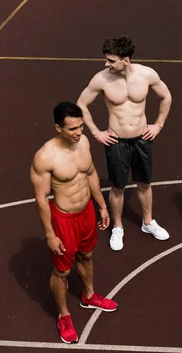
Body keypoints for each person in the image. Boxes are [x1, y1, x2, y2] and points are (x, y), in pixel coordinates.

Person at [30, 102, 118, 344]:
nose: (78, 132)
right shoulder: (45, 157)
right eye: (72, 129)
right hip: (64, 219)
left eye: (81, 127)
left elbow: (89, 173)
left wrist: (101, 205)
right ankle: (64, 314)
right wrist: (50, 234)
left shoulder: (84, 143)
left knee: (87, 255)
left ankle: (88, 295)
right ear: (58, 127)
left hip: (87, 212)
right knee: (62, 271)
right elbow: (41, 199)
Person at [77, 35, 173, 251]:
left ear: (126, 60)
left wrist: (158, 125)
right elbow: (81, 104)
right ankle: (118, 227)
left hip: (142, 139)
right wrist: (96, 133)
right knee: (118, 187)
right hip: (116, 141)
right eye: (106, 60)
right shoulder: (101, 79)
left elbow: (166, 97)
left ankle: (148, 223)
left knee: (144, 183)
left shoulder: (147, 74)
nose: (106, 64)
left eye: (111, 60)